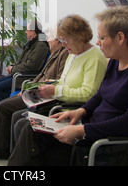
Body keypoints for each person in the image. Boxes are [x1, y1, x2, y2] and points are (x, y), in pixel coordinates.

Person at [7, 6, 128, 166]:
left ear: (120, 38)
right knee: (31, 130)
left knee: (35, 146)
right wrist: (80, 111)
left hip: (108, 144)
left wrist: (82, 130)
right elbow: (100, 95)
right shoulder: (116, 62)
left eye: (102, 38)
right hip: (90, 132)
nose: (98, 43)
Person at [8, 14, 107, 162]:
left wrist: (56, 90)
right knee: (19, 119)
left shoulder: (95, 57)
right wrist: (53, 84)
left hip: (70, 109)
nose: (64, 45)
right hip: (60, 104)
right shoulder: (73, 54)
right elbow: (65, 81)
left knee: (26, 126)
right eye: (61, 40)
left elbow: (89, 93)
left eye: (65, 40)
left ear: (79, 36)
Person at [0, 29, 69, 161]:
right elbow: (40, 74)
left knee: (4, 105)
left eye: (50, 37)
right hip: (33, 88)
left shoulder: (57, 52)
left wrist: (26, 83)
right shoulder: (49, 51)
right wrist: (26, 85)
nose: (47, 39)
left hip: (41, 94)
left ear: (58, 40)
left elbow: (50, 77)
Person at [0, 20, 49, 102]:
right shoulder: (31, 43)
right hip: (19, 74)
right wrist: (12, 66)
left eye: (27, 30)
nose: (25, 32)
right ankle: (7, 104)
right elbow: (21, 60)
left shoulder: (41, 46)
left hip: (25, 77)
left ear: (33, 32)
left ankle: (9, 105)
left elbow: (31, 66)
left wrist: (13, 70)